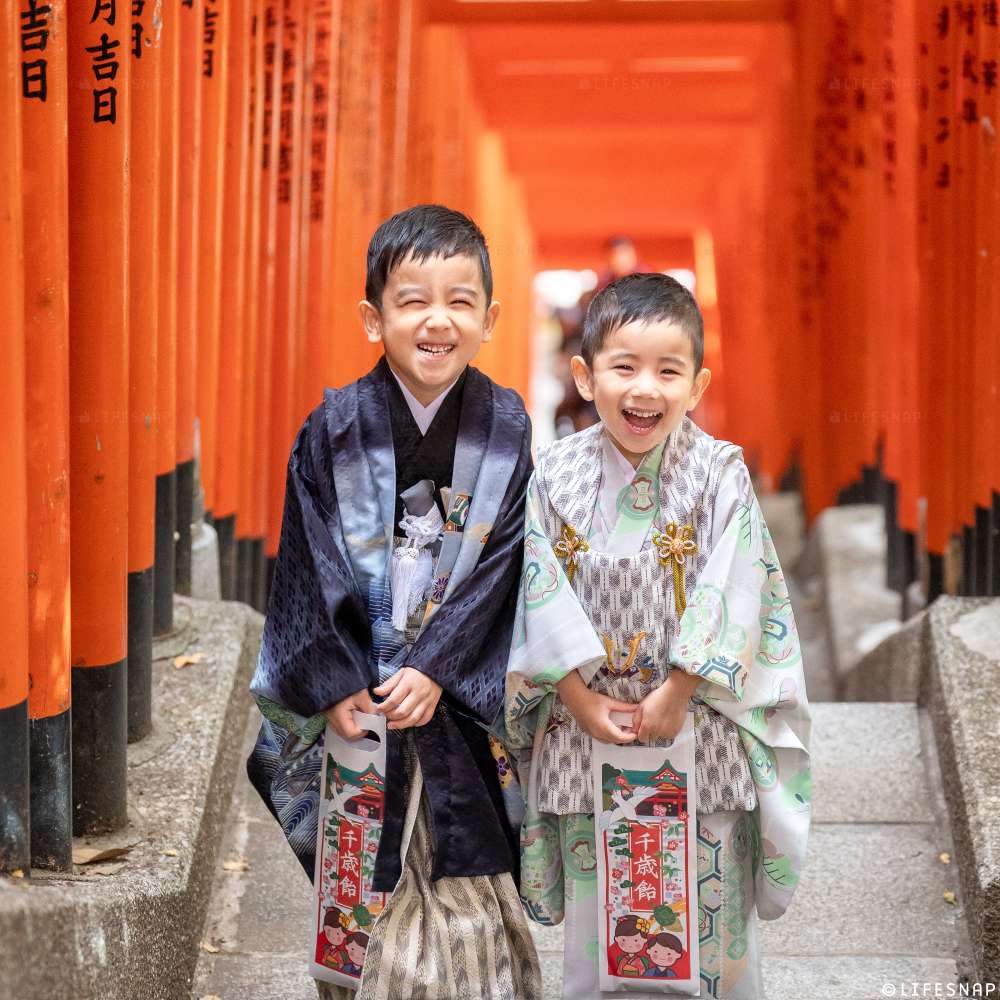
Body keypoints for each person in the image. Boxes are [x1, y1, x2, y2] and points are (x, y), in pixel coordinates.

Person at [249, 204, 541, 1000]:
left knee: (469, 898)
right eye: (413, 300)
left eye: (460, 300)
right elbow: (307, 560)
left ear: (491, 317)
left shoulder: (506, 428)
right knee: (358, 902)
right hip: (361, 703)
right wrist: (336, 680)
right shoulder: (334, 427)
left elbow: (506, 563)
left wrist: (441, 668)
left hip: (455, 712)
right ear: (373, 318)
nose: (437, 320)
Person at [505, 272, 811, 999]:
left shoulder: (717, 473)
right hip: (588, 735)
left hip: (698, 730)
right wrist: (576, 697)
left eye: (668, 371)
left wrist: (679, 687)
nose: (645, 390)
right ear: (584, 375)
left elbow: (740, 584)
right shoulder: (550, 475)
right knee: (598, 925)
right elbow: (530, 591)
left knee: (710, 926)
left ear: (698, 384)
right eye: (623, 367)